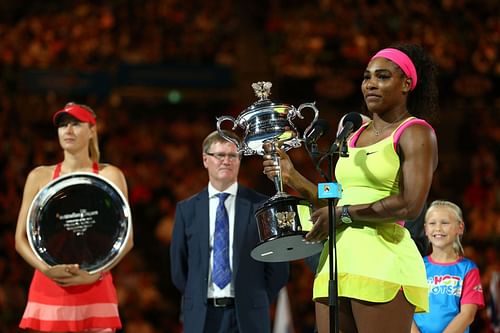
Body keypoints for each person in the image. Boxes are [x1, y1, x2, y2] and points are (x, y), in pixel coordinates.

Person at [263, 43, 439, 332]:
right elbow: (338, 196)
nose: (370, 84)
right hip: (336, 261)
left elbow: (410, 204)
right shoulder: (353, 134)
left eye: (382, 76)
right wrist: (295, 179)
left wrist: (343, 215)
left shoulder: (415, 132)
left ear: (406, 84)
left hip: (384, 262)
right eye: (367, 77)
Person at [15, 102, 133, 332]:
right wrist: (47, 269)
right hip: (50, 286)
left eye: (76, 124)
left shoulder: (111, 175)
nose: (68, 130)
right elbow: (20, 239)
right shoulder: (39, 176)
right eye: (63, 125)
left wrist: (94, 275)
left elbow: (126, 239)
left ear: (92, 131)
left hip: (95, 286)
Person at [170, 130, 289, 333]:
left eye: (233, 155)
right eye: (220, 155)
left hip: (248, 315)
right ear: (206, 159)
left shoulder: (261, 206)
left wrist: (255, 297)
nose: (226, 161)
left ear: (239, 160)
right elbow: (179, 270)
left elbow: (279, 268)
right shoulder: (186, 210)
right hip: (201, 315)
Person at [412, 200, 485, 333]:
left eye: (445, 223)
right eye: (432, 223)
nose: (438, 228)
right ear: (426, 229)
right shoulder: (417, 266)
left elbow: (467, 315)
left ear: (460, 227)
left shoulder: (468, 269)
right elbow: (406, 310)